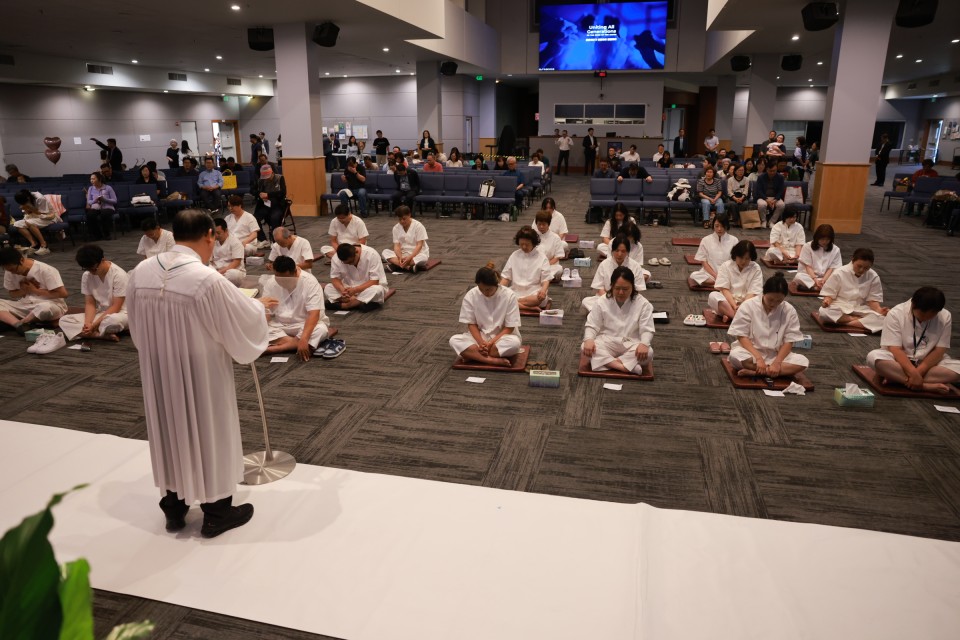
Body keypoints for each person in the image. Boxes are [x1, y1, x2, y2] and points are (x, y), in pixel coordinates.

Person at [128, 209, 269, 538]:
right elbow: (243, 319)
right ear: (209, 235)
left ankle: (174, 506)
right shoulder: (206, 279)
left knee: (169, 429)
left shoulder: (142, 271)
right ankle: (217, 512)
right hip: (201, 371)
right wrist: (261, 307)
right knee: (208, 429)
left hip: (158, 367)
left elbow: (135, 324)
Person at [867, 287, 960, 394]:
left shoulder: (945, 316)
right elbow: (895, 349)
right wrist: (912, 372)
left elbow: (939, 350)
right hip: (898, 361)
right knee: (874, 358)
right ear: (913, 305)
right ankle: (924, 386)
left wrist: (917, 373)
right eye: (922, 315)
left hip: (928, 363)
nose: (924, 319)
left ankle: (897, 379)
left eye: (930, 317)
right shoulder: (896, 313)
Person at [727, 272, 809, 379]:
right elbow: (741, 336)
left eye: (779, 301)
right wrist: (758, 358)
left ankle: (758, 372)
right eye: (770, 299)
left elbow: (789, 341)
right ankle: (771, 372)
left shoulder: (789, 310)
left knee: (803, 362)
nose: (773, 304)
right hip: (751, 353)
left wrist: (777, 363)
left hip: (776, 355)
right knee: (735, 356)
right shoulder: (748, 305)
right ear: (764, 293)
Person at [582, 266, 655, 375]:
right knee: (584, 347)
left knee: (648, 353)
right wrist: (589, 339)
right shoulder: (602, 301)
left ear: (633, 287)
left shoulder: (644, 304)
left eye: (625, 289)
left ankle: (608, 363)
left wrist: (644, 343)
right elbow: (592, 325)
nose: (621, 292)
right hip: (607, 341)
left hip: (631, 342)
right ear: (611, 286)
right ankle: (624, 367)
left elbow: (647, 329)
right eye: (617, 288)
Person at [449, 263, 522, 367]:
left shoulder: (509, 295)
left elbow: (509, 328)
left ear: (496, 284)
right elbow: (471, 324)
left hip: (502, 338)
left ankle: (474, 356)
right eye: (481, 289)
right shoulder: (471, 295)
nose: (485, 293)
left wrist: (490, 343)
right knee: (454, 340)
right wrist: (481, 343)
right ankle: (491, 360)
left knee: (514, 344)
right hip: (480, 337)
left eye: (488, 289)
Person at [261, 256, 328, 361]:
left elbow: (314, 314)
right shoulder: (271, 282)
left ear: (295, 272)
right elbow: (266, 312)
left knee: (321, 329)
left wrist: (304, 338)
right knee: (258, 328)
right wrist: (261, 323)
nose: (281, 282)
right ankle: (295, 344)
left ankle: (275, 348)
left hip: (304, 325)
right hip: (280, 325)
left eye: (285, 279)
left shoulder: (310, 282)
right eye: (278, 278)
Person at [58, 244, 128, 342]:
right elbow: (90, 303)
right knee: (64, 320)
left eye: (94, 268)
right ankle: (98, 335)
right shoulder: (87, 275)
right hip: (102, 313)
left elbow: (116, 307)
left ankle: (89, 332)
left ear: (103, 260)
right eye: (87, 269)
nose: (91, 272)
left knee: (112, 321)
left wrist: (94, 325)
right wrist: (88, 323)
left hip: (122, 313)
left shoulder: (119, 275)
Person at [816, 248, 888, 333]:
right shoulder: (839, 272)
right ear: (853, 260)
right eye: (859, 266)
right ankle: (856, 321)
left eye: (866, 268)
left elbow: (872, 300)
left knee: (885, 320)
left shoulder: (873, 276)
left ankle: (845, 323)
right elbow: (830, 295)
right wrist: (827, 302)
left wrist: (880, 310)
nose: (861, 270)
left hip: (860, 309)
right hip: (840, 306)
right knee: (824, 312)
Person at [0, 246, 68, 333]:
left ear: (21, 260)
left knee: (45, 307)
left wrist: (35, 291)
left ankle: (24, 321)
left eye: (13, 269)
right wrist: (23, 291)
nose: (12, 272)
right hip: (25, 306)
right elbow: (12, 294)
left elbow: (63, 294)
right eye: (8, 270)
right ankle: (18, 324)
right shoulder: (10, 271)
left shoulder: (46, 270)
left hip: (50, 305)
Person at [582, 236, 646, 312]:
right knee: (586, 301)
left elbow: (637, 290)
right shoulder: (604, 264)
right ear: (612, 250)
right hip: (608, 298)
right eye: (617, 250)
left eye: (623, 251)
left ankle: (607, 313)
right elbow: (600, 288)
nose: (619, 254)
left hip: (627, 299)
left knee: (643, 304)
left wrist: (624, 299)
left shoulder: (635, 266)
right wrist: (611, 301)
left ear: (628, 252)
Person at [708, 240, 762, 323]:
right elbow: (725, 290)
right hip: (728, 302)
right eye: (741, 258)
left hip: (747, 302)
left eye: (747, 259)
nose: (743, 261)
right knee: (713, 296)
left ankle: (729, 315)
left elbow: (753, 292)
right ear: (735, 255)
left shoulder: (756, 268)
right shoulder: (726, 266)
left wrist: (742, 306)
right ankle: (738, 317)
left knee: (762, 301)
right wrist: (734, 306)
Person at [500, 226, 552, 313]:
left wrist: (543, 291)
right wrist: (499, 289)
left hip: (533, 293)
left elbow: (546, 279)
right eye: (521, 244)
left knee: (539, 299)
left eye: (527, 244)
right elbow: (506, 277)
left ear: (534, 243)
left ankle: (514, 304)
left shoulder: (542, 257)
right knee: (499, 295)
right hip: (515, 291)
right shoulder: (514, 255)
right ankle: (528, 308)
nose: (524, 247)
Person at [325, 243, 388, 311]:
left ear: (356, 252)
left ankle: (346, 305)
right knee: (328, 287)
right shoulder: (335, 258)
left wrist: (355, 290)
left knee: (377, 290)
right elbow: (335, 279)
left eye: (351, 261)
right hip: (349, 289)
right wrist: (343, 290)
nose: (350, 264)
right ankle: (359, 302)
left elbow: (374, 281)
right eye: (346, 263)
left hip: (368, 287)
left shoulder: (372, 254)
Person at [689, 215, 738, 288]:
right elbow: (704, 261)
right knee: (694, 275)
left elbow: (735, 261)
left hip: (727, 274)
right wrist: (715, 276)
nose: (719, 229)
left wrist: (725, 275)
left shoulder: (734, 240)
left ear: (726, 226)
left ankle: (717, 284)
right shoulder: (706, 240)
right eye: (717, 226)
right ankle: (720, 284)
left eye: (722, 226)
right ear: (713, 226)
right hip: (710, 274)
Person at [794, 224, 841, 292]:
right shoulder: (807, 246)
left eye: (827, 240)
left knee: (840, 278)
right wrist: (815, 279)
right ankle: (822, 288)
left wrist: (823, 280)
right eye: (822, 239)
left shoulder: (836, 249)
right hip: (810, 276)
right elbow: (808, 266)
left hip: (827, 278)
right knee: (799, 277)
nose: (824, 242)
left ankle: (815, 288)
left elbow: (832, 268)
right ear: (817, 237)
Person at [382, 205, 429, 273]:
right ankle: (408, 267)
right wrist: (400, 257)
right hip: (403, 254)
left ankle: (397, 265)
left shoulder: (418, 226)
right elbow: (396, 246)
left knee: (423, 257)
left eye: (404, 219)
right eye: (399, 219)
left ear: (409, 215)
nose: (402, 221)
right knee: (385, 252)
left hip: (417, 254)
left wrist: (410, 257)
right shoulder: (396, 228)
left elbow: (419, 245)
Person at [12, 190, 59, 256]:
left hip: (47, 217)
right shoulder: (24, 199)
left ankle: (44, 245)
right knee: (17, 224)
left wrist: (30, 207)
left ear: (28, 198)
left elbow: (42, 213)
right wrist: (26, 208)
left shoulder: (40, 198)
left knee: (30, 222)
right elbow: (28, 213)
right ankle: (34, 244)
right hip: (33, 217)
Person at [252, 163, 287, 240]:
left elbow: (283, 192)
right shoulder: (261, 180)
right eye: (265, 177)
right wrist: (260, 194)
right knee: (254, 219)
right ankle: (262, 239)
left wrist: (268, 195)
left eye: (268, 177)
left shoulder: (280, 178)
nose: (266, 179)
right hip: (265, 205)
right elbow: (252, 190)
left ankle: (275, 240)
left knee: (274, 218)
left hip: (277, 205)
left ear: (272, 173)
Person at [211, 217, 246, 285]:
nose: (216, 235)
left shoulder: (235, 242)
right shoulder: (212, 242)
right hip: (216, 270)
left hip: (230, 271)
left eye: (218, 233)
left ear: (226, 230)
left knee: (234, 275)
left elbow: (236, 262)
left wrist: (220, 272)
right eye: (214, 233)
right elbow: (209, 260)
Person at [533, 210, 565, 281]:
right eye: (539, 224)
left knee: (559, 269)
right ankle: (545, 278)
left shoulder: (555, 237)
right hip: (535, 265)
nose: (541, 227)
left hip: (550, 265)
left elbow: (557, 256)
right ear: (536, 224)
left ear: (548, 224)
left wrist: (546, 265)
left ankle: (540, 278)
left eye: (544, 224)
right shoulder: (533, 236)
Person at [85, 171, 117, 241]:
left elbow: (115, 201)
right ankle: (97, 235)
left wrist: (104, 199)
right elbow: (89, 201)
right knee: (90, 215)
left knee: (104, 214)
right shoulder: (90, 188)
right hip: (96, 207)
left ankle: (107, 234)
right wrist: (95, 201)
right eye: (91, 179)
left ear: (99, 179)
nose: (91, 181)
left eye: (93, 179)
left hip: (107, 207)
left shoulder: (108, 188)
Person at [754, 162, 785, 228]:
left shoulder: (780, 177)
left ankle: (772, 221)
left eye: (774, 171)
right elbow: (759, 190)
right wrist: (766, 200)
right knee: (762, 205)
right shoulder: (761, 177)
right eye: (771, 171)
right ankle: (763, 221)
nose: (772, 172)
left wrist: (775, 200)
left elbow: (781, 190)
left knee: (781, 205)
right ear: (767, 170)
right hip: (763, 197)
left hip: (775, 197)